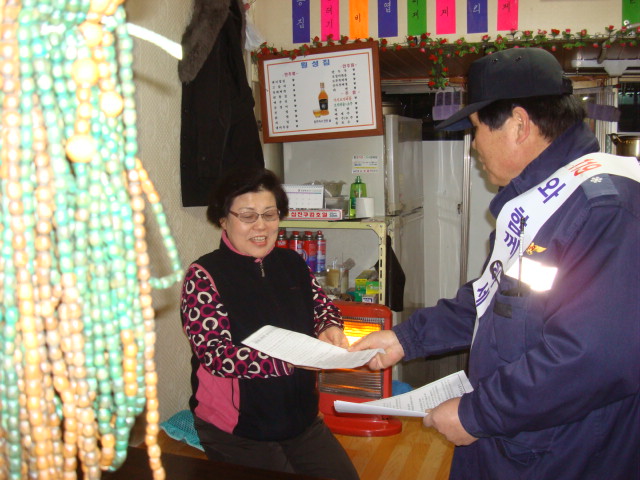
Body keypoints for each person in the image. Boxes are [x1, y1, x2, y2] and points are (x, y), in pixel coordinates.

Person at [350, 48, 640, 479]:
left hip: (565, 455)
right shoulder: (541, 200)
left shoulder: (604, 210)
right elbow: (495, 298)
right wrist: (404, 339)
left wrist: (477, 414)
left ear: (519, 125)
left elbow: (595, 358)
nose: (473, 146)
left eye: (476, 128)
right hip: (516, 445)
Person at [180, 167, 359, 479]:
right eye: (247, 216)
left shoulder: (292, 263)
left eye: (269, 214)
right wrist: (292, 360)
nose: (260, 225)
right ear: (223, 219)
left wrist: (330, 327)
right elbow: (216, 355)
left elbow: (322, 307)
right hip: (237, 428)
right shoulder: (204, 276)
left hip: (301, 419)